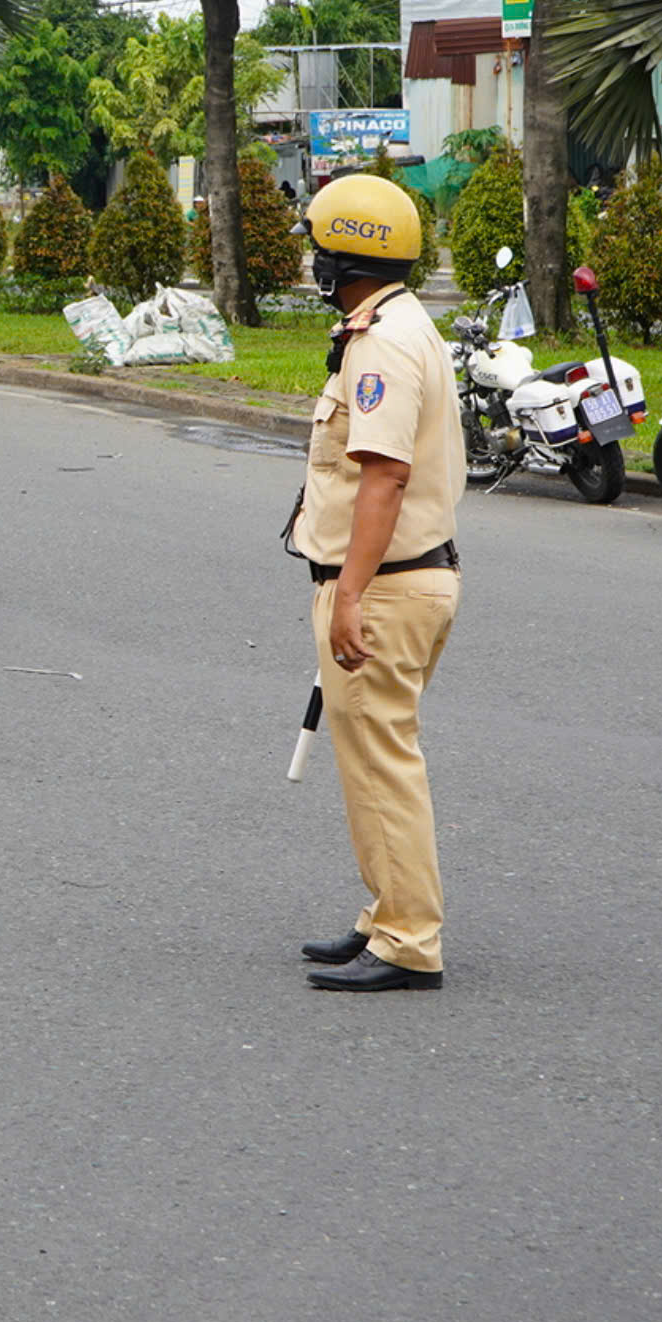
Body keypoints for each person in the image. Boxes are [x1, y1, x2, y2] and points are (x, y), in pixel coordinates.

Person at [286, 174, 464, 991]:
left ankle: (408, 938)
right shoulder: (394, 324)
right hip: (399, 580)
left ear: (344, 256)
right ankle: (385, 909)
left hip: (385, 586)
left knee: (384, 760)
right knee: (370, 760)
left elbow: (384, 477)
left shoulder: (382, 345)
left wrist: (349, 594)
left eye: (320, 247)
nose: (313, 260)